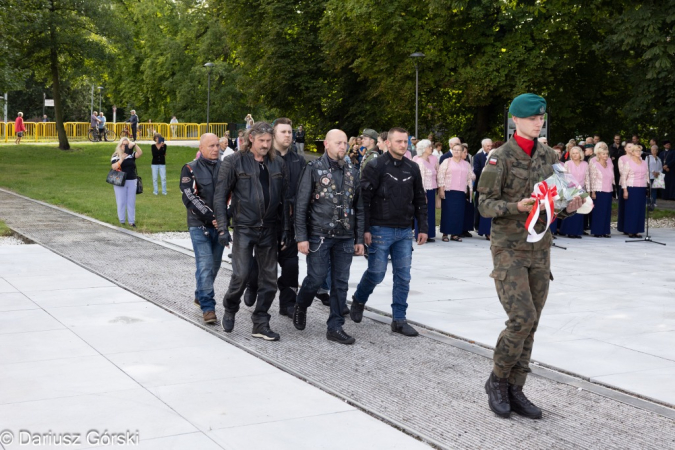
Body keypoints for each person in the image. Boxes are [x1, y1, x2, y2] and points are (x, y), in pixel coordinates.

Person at [478, 93, 582, 420]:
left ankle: (515, 387)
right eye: (533, 117)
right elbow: (484, 205)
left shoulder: (550, 155)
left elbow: (558, 203)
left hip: (540, 249)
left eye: (542, 117)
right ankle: (497, 380)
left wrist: (570, 207)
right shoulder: (500, 157)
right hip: (509, 248)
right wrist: (515, 207)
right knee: (521, 317)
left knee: (532, 323)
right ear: (516, 120)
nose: (539, 122)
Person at [214, 122, 290, 341]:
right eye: (261, 141)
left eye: (268, 141)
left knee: (270, 280)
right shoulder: (234, 161)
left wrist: (285, 228)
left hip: (270, 228)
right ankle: (230, 307)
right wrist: (222, 227)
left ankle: (261, 322)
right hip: (244, 227)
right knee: (241, 274)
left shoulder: (278, 164)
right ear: (251, 140)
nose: (265, 145)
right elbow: (220, 196)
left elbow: (285, 199)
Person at [350, 127, 428, 337]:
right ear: (388, 143)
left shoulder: (412, 168)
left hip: (404, 231)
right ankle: (358, 299)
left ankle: (399, 319)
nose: (403, 145)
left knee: (403, 277)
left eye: (406, 141)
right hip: (379, 229)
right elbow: (364, 200)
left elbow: (420, 198)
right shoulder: (375, 166)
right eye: (399, 141)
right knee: (376, 273)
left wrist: (423, 227)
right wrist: (364, 229)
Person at [292, 129, 365, 344]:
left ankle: (335, 327)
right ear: (326, 144)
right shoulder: (313, 168)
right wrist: (301, 237)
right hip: (319, 235)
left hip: (345, 236)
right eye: (338, 143)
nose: (343, 147)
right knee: (316, 278)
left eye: (345, 143)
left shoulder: (353, 170)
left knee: (341, 282)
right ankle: (301, 303)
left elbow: (359, 207)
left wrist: (359, 238)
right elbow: (301, 205)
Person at [244, 118, 305, 318]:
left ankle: (288, 303)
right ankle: (252, 284)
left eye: (290, 131)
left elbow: (304, 191)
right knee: (259, 264)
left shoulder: (299, 161)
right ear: (272, 136)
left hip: (290, 222)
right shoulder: (262, 159)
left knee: (291, 265)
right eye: (283, 132)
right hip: (265, 222)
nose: (288, 135)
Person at [180, 133, 224, 324]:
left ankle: (200, 293)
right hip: (199, 225)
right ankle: (208, 307)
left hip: (220, 226)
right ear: (201, 148)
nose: (215, 149)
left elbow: (234, 194)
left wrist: (222, 218)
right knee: (205, 264)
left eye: (217, 145)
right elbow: (189, 196)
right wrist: (211, 216)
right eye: (211, 146)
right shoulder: (190, 168)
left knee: (213, 266)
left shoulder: (226, 168)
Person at [438, 144, 474, 242]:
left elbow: (471, 176)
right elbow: (440, 175)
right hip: (449, 190)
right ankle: (445, 234)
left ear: (463, 152)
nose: (456, 152)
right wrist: (441, 189)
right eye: (454, 150)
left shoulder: (466, 164)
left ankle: (455, 234)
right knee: (448, 212)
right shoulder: (447, 161)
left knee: (459, 213)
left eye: (459, 150)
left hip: (461, 191)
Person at [110, 137, 143, 227]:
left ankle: (131, 221)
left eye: (127, 144)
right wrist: (122, 159)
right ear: (120, 145)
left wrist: (135, 145)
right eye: (124, 144)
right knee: (121, 201)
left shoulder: (131, 154)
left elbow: (140, 153)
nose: (126, 146)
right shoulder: (116, 155)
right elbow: (114, 167)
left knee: (131, 201)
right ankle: (122, 220)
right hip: (120, 181)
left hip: (132, 180)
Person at [618, 143, 649, 238]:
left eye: (640, 151)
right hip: (631, 188)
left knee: (640, 210)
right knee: (631, 210)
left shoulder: (644, 162)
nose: (638, 152)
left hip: (642, 188)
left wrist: (648, 187)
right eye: (636, 151)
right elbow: (623, 177)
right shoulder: (628, 163)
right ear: (632, 152)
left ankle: (637, 230)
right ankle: (630, 230)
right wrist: (625, 190)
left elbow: (647, 175)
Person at [558, 147, 588, 238]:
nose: (575, 155)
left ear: (581, 154)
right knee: (571, 209)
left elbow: (587, 178)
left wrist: (588, 191)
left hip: (582, 189)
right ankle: (568, 231)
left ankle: (577, 232)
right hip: (570, 190)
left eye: (577, 153)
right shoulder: (568, 163)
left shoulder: (585, 164)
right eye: (573, 153)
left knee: (579, 211)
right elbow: (564, 177)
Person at [413, 139, 439, 243]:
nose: (431, 148)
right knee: (422, 212)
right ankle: (419, 234)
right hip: (424, 190)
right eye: (429, 147)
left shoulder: (430, 160)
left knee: (430, 213)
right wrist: (422, 194)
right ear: (423, 149)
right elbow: (421, 180)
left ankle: (429, 234)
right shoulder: (420, 162)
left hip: (432, 189)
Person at [586, 142, 614, 237]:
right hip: (598, 190)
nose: (606, 155)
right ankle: (597, 231)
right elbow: (592, 178)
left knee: (607, 211)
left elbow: (612, 176)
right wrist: (592, 191)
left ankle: (605, 231)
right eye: (603, 154)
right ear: (598, 154)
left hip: (608, 190)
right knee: (598, 212)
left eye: (606, 154)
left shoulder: (609, 163)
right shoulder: (595, 164)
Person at [473, 138, 492, 231]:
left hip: (491, 186)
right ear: (483, 146)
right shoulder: (478, 156)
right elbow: (476, 170)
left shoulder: (494, 155)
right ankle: (477, 225)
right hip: (480, 185)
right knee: (478, 205)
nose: (489, 147)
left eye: (490, 145)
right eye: (488, 146)